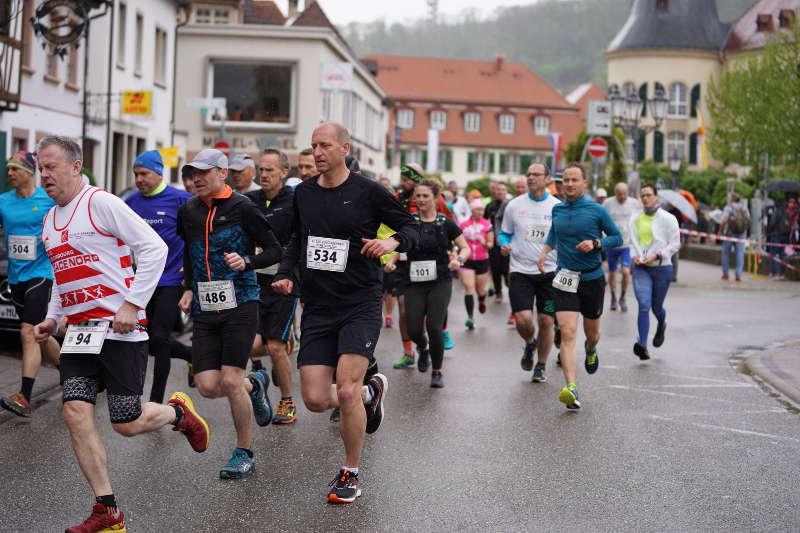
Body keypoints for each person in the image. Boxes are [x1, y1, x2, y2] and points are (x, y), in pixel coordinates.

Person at [32, 136, 209, 533]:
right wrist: (52, 317)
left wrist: (132, 304)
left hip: (119, 329)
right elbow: (61, 277)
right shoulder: (49, 220)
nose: (44, 175)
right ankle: (107, 509)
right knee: (74, 411)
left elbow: (154, 249)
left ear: (76, 167)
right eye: (40, 167)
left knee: (126, 422)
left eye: (51, 167)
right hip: (79, 334)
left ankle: (178, 413)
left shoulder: (101, 203)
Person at [272, 121, 418, 504]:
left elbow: (410, 226)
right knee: (316, 399)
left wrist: (391, 242)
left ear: (344, 148)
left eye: (324, 145)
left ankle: (350, 471)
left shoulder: (369, 191)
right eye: (313, 145)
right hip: (319, 306)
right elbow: (295, 240)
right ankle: (373, 390)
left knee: (347, 389)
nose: (317, 152)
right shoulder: (302, 193)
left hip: (360, 302)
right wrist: (287, 274)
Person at [177, 148, 283, 479]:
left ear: (223, 173)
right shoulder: (189, 210)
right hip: (205, 308)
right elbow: (189, 253)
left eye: (204, 172)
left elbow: (275, 250)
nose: (196, 178)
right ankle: (256, 384)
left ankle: (244, 452)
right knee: (207, 385)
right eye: (193, 173)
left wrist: (248, 261)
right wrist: (188, 286)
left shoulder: (244, 208)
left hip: (241, 302)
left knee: (229, 380)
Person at [536, 163, 622, 409]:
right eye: (566, 180)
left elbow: (617, 238)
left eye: (575, 180)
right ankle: (571, 387)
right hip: (564, 278)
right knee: (568, 331)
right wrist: (544, 252)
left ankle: (591, 349)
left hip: (592, 278)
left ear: (585, 183)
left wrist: (596, 243)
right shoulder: (557, 209)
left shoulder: (597, 211)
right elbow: (554, 233)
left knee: (592, 334)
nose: (570, 184)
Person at [125, 150, 193, 404]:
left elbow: (194, 238)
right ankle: (191, 355)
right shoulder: (131, 203)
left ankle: (155, 400)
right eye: (136, 174)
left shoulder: (181, 200)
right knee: (147, 340)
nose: (139, 179)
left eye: (144, 173)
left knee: (161, 338)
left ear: (159, 173)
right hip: (142, 280)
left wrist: (190, 274)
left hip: (171, 279)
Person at [390, 179, 468, 387]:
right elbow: (399, 244)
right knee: (414, 329)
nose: (421, 199)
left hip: (440, 280)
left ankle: (437, 371)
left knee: (434, 326)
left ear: (435, 198)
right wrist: (390, 260)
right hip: (413, 281)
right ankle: (423, 348)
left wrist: (458, 259)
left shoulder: (445, 223)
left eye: (426, 196)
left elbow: (465, 247)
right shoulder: (410, 222)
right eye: (418, 195)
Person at [0, 151, 61, 417]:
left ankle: (24, 396)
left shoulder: (47, 200)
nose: (10, 173)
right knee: (41, 335)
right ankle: (75, 374)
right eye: (8, 169)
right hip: (16, 276)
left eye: (14, 169)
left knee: (28, 332)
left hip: (41, 272)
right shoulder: (3, 202)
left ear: (28, 172)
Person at [245, 148, 299, 424]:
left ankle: (287, 402)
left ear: (283, 173)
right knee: (252, 345)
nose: (263, 174)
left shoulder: (294, 200)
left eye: (269, 170)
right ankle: (264, 377)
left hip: (284, 282)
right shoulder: (249, 200)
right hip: (254, 281)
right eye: (261, 169)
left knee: (275, 347)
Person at [500, 163, 560, 382]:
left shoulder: (557, 206)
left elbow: (564, 238)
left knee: (546, 320)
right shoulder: (514, 205)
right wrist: (504, 244)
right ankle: (529, 343)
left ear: (547, 179)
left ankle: (541, 366)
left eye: (536, 174)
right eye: (529, 174)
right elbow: (504, 233)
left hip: (549, 273)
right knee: (523, 319)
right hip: (520, 271)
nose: (531, 178)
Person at [629, 184, 681, 360]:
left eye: (648, 195)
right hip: (642, 268)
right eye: (642, 195)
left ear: (656, 197)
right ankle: (642, 344)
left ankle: (661, 324)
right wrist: (634, 256)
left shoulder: (669, 218)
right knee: (644, 304)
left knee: (657, 307)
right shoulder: (635, 218)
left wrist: (658, 255)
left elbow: (675, 244)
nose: (645, 198)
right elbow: (631, 241)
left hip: (662, 268)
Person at [602, 183, 642, 312]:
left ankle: (623, 297)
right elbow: (601, 219)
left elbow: (640, 220)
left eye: (625, 194)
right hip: (612, 243)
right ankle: (613, 297)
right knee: (612, 273)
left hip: (627, 244)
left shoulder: (634, 203)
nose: (622, 197)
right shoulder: (608, 203)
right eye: (620, 194)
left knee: (626, 272)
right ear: (615, 193)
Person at [459, 199, 494, 330]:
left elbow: (491, 245)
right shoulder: (463, 225)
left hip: (482, 260)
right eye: (477, 209)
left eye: (482, 210)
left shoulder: (487, 225)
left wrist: (484, 242)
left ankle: (481, 299)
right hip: (467, 260)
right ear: (472, 211)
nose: (480, 212)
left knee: (480, 290)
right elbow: (457, 241)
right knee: (469, 288)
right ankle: (470, 317)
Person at [485, 181, 511, 303]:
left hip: (508, 243)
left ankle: (509, 283)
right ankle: (498, 292)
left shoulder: (511, 205)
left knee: (506, 269)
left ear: (506, 192)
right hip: (494, 243)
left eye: (503, 190)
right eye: (498, 189)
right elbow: (484, 223)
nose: (500, 192)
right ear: (495, 191)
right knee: (495, 270)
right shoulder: (490, 206)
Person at [718, 193, 749, 282]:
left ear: (732, 199)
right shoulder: (744, 208)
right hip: (741, 233)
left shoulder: (728, 207)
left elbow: (724, 220)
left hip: (730, 232)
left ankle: (725, 274)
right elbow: (748, 220)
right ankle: (738, 275)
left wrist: (720, 230)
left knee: (726, 253)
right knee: (740, 253)